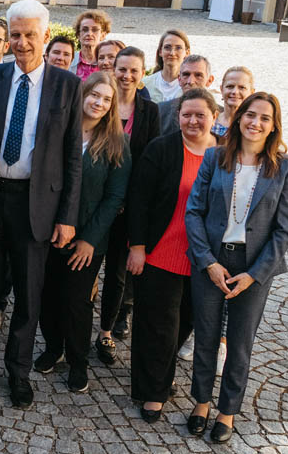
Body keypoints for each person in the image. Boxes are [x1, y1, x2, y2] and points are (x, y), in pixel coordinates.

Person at [0, 0, 82, 410]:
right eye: (15, 35)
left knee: (29, 297)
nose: (21, 42)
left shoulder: (67, 86)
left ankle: (18, 372)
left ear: (46, 36)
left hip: (36, 205)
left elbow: (72, 157)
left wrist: (68, 217)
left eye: (30, 35)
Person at [185, 92, 288, 443]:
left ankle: (227, 411)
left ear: (273, 125)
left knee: (239, 342)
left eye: (264, 118)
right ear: (239, 119)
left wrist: (254, 274)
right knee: (205, 335)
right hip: (212, 262)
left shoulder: (286, 168)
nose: (255, 122)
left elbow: (284, 230)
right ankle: (201, 403)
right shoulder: (215, 157)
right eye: (250, 115)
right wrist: (208, 262)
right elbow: (194, 212)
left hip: (254, 267)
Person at [126, 87, 219, 423]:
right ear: (178, 116)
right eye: (186, 114)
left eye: (200, 115)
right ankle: (153, 392)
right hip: (161, 252)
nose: (192, 120)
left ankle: (161, 374)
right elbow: (139, 200)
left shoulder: (223, 155)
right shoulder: (162, 149)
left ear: (214, 117)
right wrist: (137, 247)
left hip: (203, 259)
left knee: (187, 322)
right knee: (158, 327)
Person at [34, 71, 131, 393]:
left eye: (106, 99)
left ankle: (78, 361)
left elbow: (115, 196)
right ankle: (52, 347)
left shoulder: (117, 143)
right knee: (47, 295)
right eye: (94, 95)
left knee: (76, 302)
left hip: (89, 239)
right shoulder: (60, 131)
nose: (99, 103)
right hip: (48, 231)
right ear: (82, 94)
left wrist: (90, 240)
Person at [97, 45, 161, 360]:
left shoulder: (150, 112)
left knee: (117, 275)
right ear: (113, 69)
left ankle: (105, 331)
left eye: (134, 70)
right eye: (122, 69)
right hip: (95, 205)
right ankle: (74, 327)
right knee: (85, 270)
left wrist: (128, 201)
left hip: (128, 207)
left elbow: (150, 164)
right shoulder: (101, 104)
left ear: (143, 73)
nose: (127, 76)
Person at [159, 55, 217, 135]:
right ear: (179, 79)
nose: (191, 81)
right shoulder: (161, 111)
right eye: (186, 75)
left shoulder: (221, 115)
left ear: (209, 80)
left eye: (198, 75)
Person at [141, 29, 191, 102]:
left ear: (187, 53)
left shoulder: (190, 86)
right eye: (167, 47)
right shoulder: (145, 84)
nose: (172, 53)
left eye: (178, 48)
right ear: (160, 51)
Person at [212, 66, 254, 138]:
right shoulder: (209, 122)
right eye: (230, 86)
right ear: (221, 89)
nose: (235, 92)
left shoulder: (253, 127)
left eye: (242, 87)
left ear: (252, 92)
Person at [71, 10, 111, 79]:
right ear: (78, 35)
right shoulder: (70, 60)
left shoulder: (108, 63)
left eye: (95, 30)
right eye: (85, 29)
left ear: (103, 35)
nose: (89, 33)